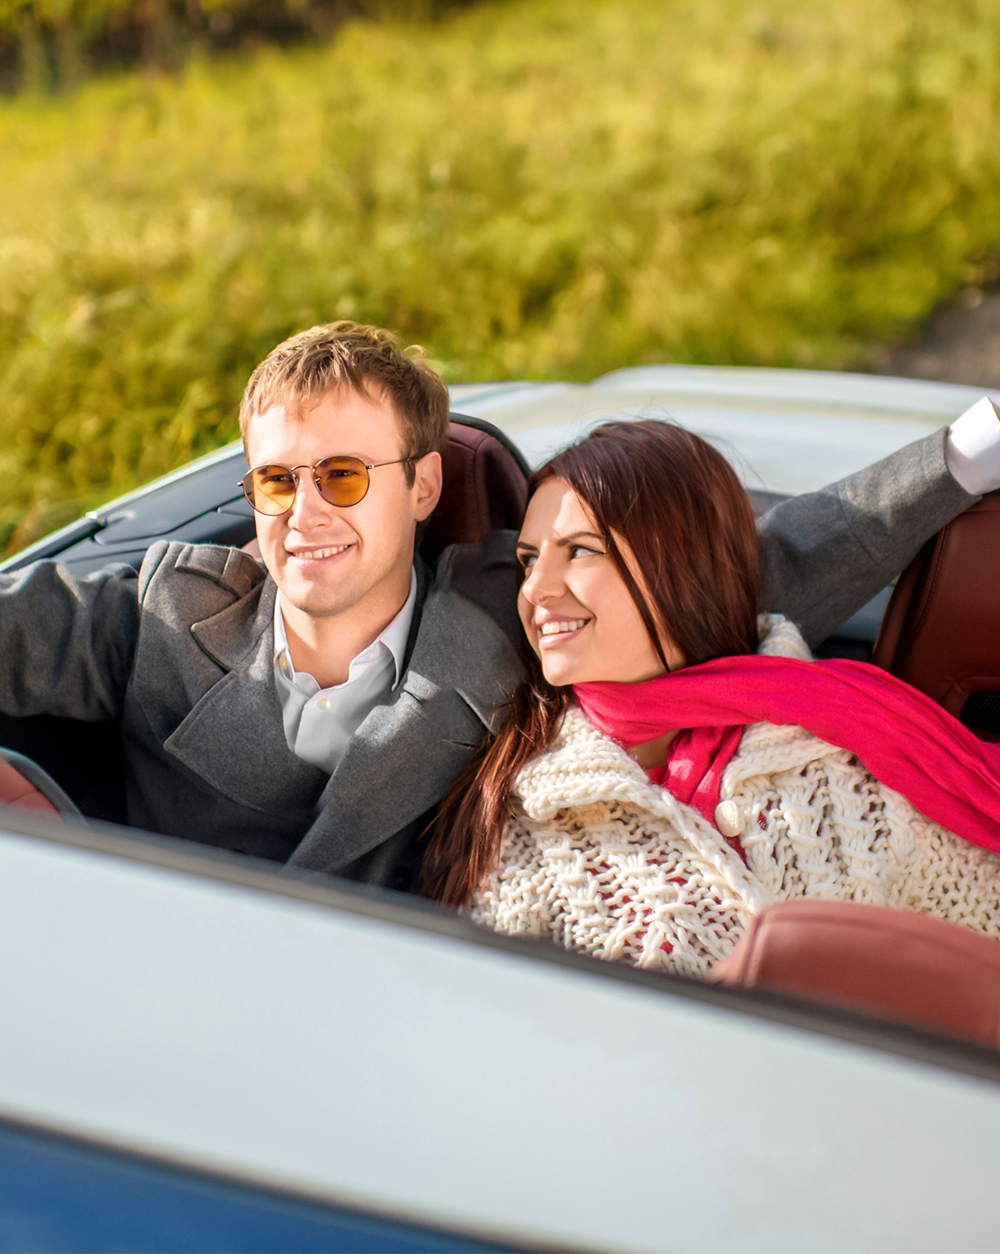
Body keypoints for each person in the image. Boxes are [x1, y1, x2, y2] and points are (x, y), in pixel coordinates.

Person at [0, 319, 999, 893]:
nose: (302, 515)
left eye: (343, 477)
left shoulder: (503, 611)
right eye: (275, 482)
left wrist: (964, 455)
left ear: (423, 488)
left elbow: (734, 571)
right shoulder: (161, 613)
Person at [423, 420, 1000, 972]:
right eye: (528, 560)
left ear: (680, 566)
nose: (535, 590)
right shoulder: (525, 815)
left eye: (578, 550)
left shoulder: (855, 754)